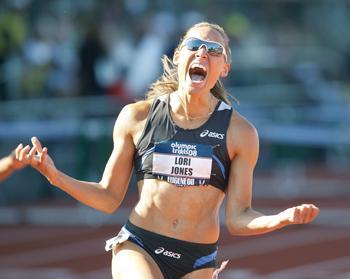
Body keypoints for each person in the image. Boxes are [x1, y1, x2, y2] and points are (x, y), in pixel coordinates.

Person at [15, 22, 319, 279]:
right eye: (195, 45)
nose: (203, 52)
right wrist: (56, 176)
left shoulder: (240, 133)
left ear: (224, 67)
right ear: (177, 56)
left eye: (214, 50)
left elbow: (238, 219)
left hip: (198, 259)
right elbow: (108, 197)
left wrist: (280, 218)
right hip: (140, 245)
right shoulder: (137, 117)